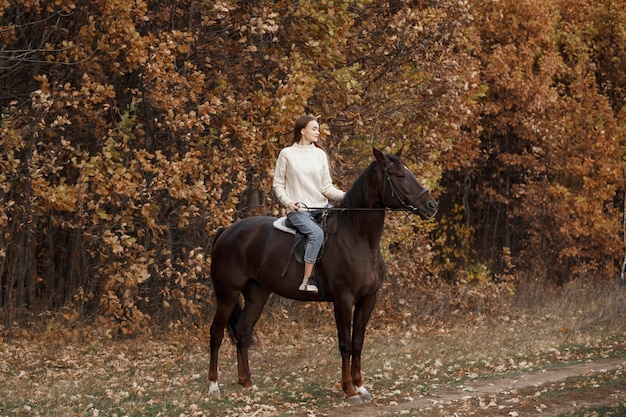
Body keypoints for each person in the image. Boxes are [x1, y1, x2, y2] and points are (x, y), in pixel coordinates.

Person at [273, 115, 345, 293]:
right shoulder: (287, 154)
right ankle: (307, 280)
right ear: (302, 130)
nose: (318, 132)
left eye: (318, 129)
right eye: (314, 128)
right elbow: (278, 184)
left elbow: (326, 187)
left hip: (322, 208)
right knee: (316, 234)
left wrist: (347, 195)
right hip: (299, 211)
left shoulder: (319, 154)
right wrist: (287, 202)